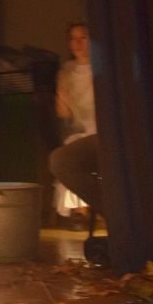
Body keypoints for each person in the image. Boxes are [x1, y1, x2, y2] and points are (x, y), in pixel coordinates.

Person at [53, 23, 97, 224]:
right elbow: (63, 113)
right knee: (71, 152)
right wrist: (62, 97)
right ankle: (81, 209)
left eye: (83, 38)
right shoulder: (66, 72)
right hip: (79, 128)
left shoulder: (101, 69)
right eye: (73, 39)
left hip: (100, 127)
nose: (77, 43)